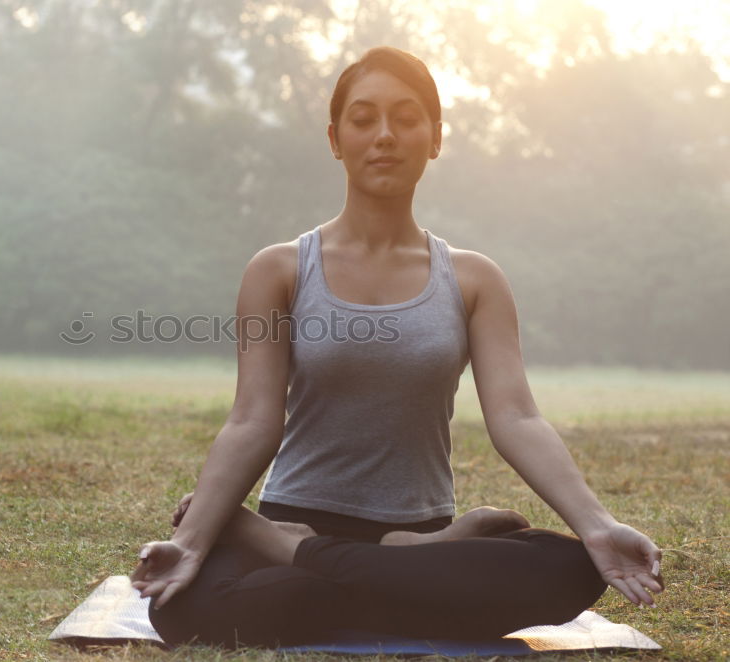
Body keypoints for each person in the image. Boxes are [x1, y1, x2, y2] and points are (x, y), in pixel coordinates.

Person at [130, 46, 664, 648]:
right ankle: (361, 568)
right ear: (335, 139)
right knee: (185, 609)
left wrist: (597, 526)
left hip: (416, 533)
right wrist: (195, 540)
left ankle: (296, 549)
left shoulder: (474, 279)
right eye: (363, 120)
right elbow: (254, 418)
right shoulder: (279, 270)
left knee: (568, 565)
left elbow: (516, 416)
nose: (384, 136)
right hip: (305, 511)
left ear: (435, 137)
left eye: (407, 119)